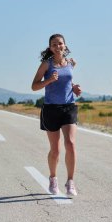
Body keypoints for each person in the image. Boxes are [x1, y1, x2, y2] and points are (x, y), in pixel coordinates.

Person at [31, 34, 81, 196]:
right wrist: (48, 81)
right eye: (54, 44)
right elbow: (34, 86)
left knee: (71, 143)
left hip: (69, 107)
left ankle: (71, 182)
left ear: (65, 46)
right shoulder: (46, 65)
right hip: (51, 109)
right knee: (55, 150)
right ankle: (53, 178)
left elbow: (67, 84)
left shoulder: (71, 63)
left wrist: (75, 89)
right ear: (50, 48)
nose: (58, 46)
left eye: (60, 43)